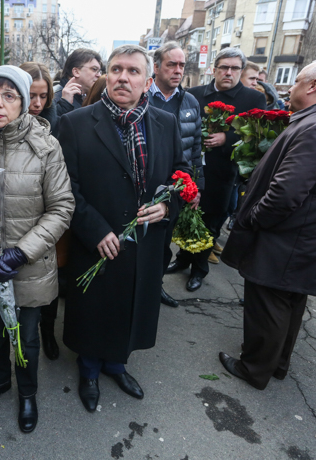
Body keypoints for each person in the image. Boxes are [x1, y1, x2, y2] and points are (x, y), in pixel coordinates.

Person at [219, 58, 316, 390]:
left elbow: (285, 193)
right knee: (290, 301)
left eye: (298, 80)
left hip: (288, 239)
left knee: (268, 304)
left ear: (314, 85)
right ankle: (276, 364)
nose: (290, 87)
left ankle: (254, 369)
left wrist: (253, 219)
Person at [59, 45, 188, 412]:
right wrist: (95, 230)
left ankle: (117, 364)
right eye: (116, 69)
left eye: (132, 71)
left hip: (146, 243)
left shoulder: (166, 123)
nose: (122, 77)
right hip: (97, 239)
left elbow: (182, 173)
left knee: (132, 306)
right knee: (95, 309)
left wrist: (167, 206)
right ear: (106, 76)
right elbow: (66, 187)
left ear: (147, 81)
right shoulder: (77, 123)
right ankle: (88, 370)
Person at [0, 65, 74, 433]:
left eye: (9, 96)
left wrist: (22, 253)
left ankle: (27, 392)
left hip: (29, 264)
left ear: (23, 102)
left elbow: (61, 207)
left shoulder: (45, 146)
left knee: (28, 334)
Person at [166, 47, 266, 292]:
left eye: (234, 68)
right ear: (214, 69)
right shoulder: (194, 94)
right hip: (191, 168)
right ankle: (182, 258)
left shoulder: (253, 99)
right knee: (187, 216)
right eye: (224, 67)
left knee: (211, 221)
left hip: (224, 173)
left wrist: (228, 138)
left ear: (241, 71)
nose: (228, 73)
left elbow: (258, 137)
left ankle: (199, 268)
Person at [148, 42, 203, 308]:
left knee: (163, 243)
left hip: (176, 187)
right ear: (156, 67)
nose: (178, 70)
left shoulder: (190, 101)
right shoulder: (142, 97)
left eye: (182, 65)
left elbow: (195, 148)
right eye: (172, 64)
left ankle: (155, 286)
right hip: (146, 185)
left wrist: (195, 186)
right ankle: (139, 288)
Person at [19, 61, 62, 360]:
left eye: (43, 96)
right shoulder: (1, 120)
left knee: (48, 278)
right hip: (17, 213)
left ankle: (48, 330)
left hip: (51, 215)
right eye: (31, 95)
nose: (36, 104)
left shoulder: (58, 124)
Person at [54, 48, 103, 119]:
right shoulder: (52, 97)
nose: (99, 75)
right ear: (76, 72)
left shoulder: (89, 98)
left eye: (99, 71)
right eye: (94, 69)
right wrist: (64, 105)